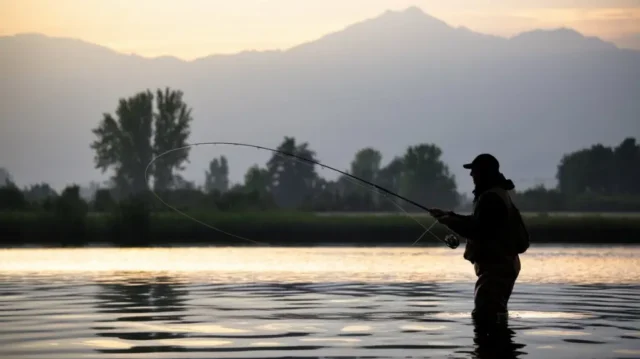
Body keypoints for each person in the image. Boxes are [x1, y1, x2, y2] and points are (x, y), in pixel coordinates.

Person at [429, 153, 529, 322]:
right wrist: (449, 215)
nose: (471, 175)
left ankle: (491, 346)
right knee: (494, 313)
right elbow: (479, 222)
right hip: (502, 265)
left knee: (486, 315)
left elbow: (478, 230)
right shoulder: (494, 193)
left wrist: (450, 222)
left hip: (497, 267)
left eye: (474, 171)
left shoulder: (491, 197)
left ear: (484, 172)